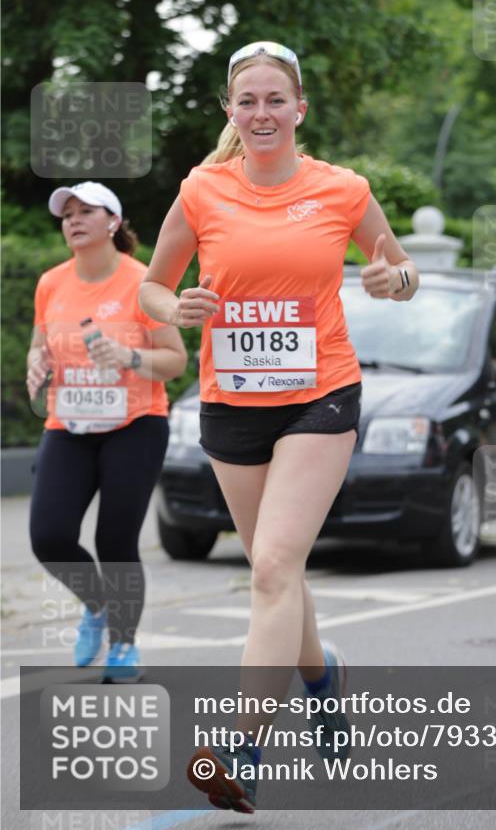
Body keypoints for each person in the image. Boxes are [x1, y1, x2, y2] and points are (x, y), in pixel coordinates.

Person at [140, 40, 419, 812]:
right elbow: (154, 288)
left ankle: (240, 748)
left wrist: (390, 277)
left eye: (275, 100)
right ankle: (322, 676)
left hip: (318, 396)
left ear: (300, 108)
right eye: (247, 101)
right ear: (230, 111)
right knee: (279, 572)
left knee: (269, 568)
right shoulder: (202, 190)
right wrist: (177, 308)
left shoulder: (342, 189)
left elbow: (401, 273)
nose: (261, 113)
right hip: (232, 403)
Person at [27, 182, 187, 681]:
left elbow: (176, 361)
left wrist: (130, 357)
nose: (73, 219)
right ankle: (96, 606)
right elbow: (40, 344)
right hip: (68, 423)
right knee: (49, 537)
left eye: (86, 211)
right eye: (67, 213)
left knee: (116, 541)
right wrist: (36, 363)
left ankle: (123, 644)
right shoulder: (51, 282)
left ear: (113, 222)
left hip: (135, 425)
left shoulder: (143, 284)